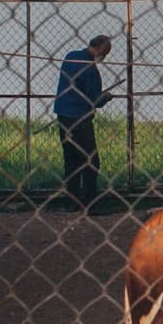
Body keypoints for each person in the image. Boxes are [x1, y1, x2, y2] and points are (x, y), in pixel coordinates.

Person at [52, 33, 114, 211]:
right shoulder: (91, 71)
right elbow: (94, 100)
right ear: (100, 49)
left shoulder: (71, 56)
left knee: (71, 161)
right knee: (90, 161)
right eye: (106, 53)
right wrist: (106, 98)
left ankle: (71, 202)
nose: (105, 57)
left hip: (63, 115)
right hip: (80, 118)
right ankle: (90, 204)